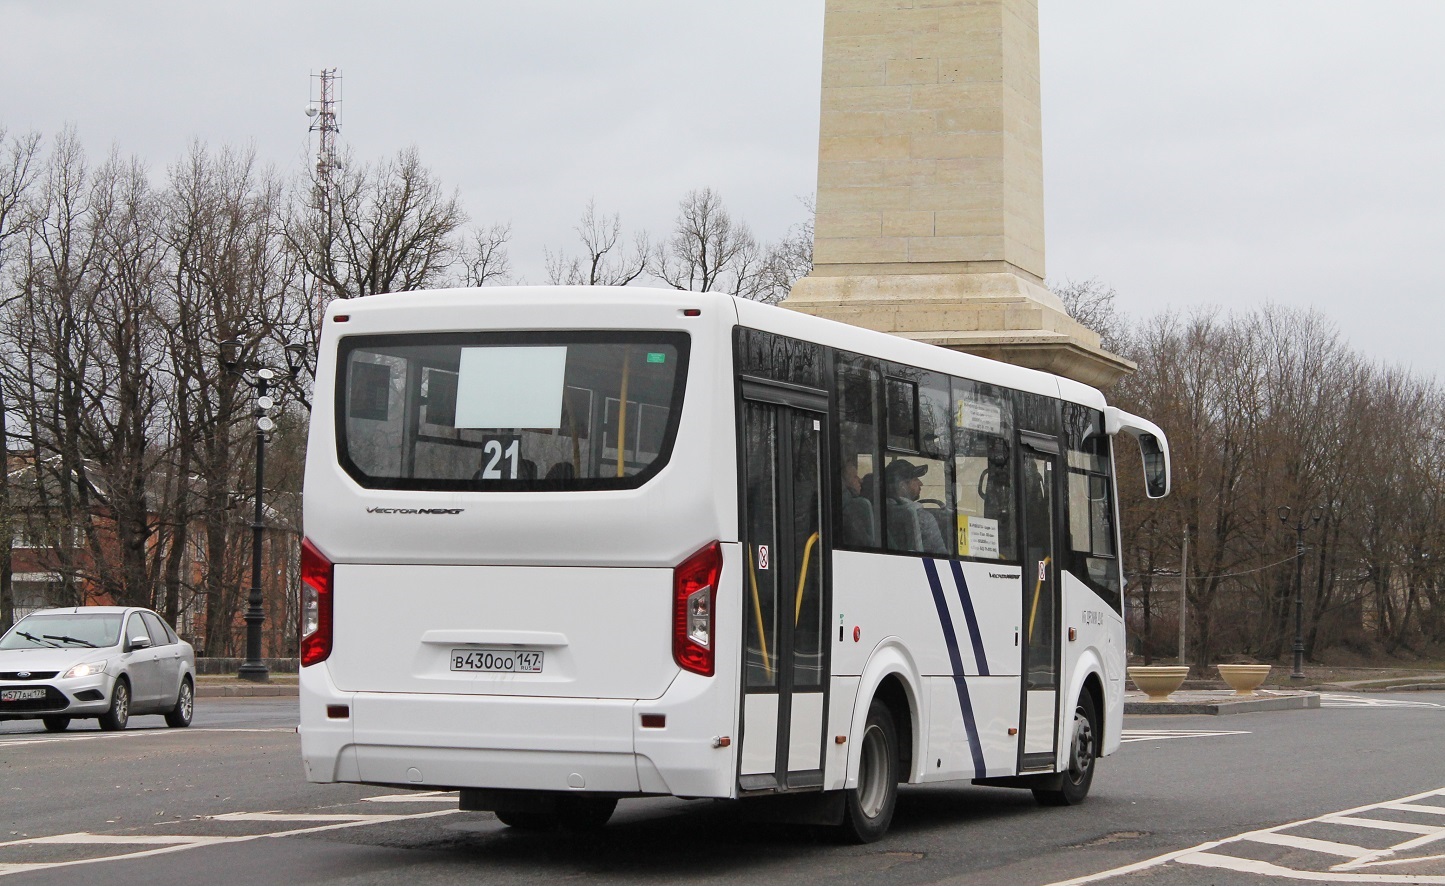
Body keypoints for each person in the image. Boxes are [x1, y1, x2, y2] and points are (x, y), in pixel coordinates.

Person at [885, 459, 947, 554]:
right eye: (915, 479)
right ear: (902, 486)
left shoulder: (879, 511)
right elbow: (941, 555)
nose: (920, 483)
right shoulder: (922, 518)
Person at [839, 455, 876, 546]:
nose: (860, 480)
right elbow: (865, 542)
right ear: (844, 482)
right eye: (855, 477)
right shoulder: (854, 506)